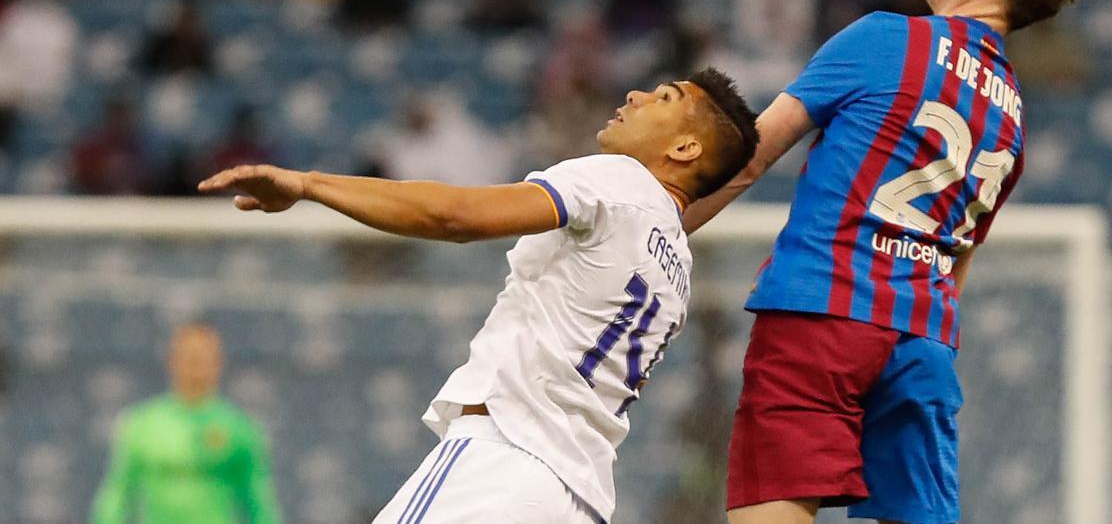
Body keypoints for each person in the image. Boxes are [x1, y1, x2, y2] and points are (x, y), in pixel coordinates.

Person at [681, 0, 1109, 524]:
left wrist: (652, 226)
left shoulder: (886, 38)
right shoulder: (1012, 116)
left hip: (822, 311)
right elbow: (959, 256)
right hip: (924, 339)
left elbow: (747, 158)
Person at [198, 69, 759, 523]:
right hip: (578, 497)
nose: (636, 94)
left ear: (686, 147)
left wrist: (308, 184)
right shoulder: (678, 263)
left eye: (664, 97)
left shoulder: (618, 180)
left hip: (502, 468)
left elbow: (455, 216)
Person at [91, 323, 282, 524]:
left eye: (203, 358)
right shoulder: (143, 425)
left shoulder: (239, 429)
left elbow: (259, 503)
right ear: (172, 361)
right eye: (190, 357)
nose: (196, 365)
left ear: (218, 363)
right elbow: (118, 494)